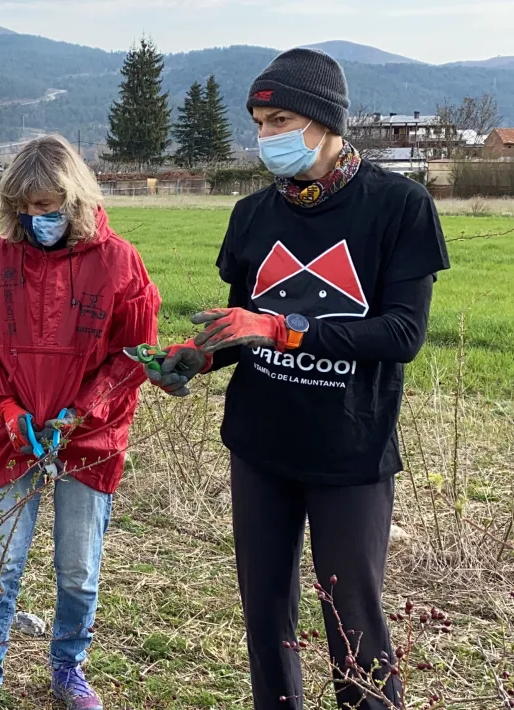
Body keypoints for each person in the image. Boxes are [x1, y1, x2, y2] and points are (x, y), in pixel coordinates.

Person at [148, 49, 450, 709]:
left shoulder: (399, 206)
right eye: (259, 123)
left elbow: (402, 334)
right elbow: (241, 327)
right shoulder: (252, 216)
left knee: (353, 626)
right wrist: (197, 356)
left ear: (325, 120)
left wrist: (284, 329)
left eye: (280, 120)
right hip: (259, 446)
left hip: (350, 451)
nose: (266, 137)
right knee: (265, 618)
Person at [0, 134, 161, 710]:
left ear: (73, 198)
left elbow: (133, 355)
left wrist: (83, 412)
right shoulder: (0, 259)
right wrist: (6, 408)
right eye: (23, 206)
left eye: (45, 205)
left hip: (89, 437)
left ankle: (69, 666)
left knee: (78, 567)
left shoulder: (118, 262)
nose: (34, 217)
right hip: (13, 433)